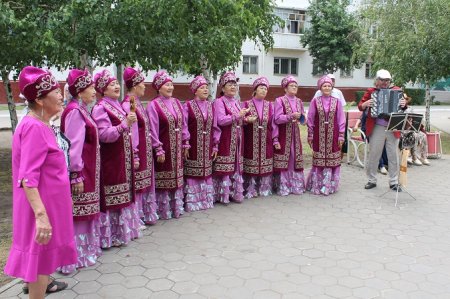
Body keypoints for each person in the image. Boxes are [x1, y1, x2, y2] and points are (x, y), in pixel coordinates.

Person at [4, 66, 77, 297]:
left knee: (41, 264)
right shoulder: (34, 127)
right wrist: (41, 216)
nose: (60, 94)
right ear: (39, 99)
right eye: (55, 91)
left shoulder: (39, 123)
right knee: (39, 265)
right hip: (41, 208)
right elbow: (27, 178)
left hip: (48, 206)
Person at [91, 69, 142, 247]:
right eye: (112, 84)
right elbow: (104, 135)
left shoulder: (117, 105)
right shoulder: (100, 108)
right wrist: (124, 124)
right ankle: (110, 236)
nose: (117, 86)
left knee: (124, 194)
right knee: (113, 196)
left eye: (117, 83)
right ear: (103, 89)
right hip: (111, 159)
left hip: (122, 158)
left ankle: (122, 233)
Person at [60, 69, 102, 273]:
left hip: (88, 168)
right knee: (78, 213)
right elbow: (73, 145)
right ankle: (74, 256)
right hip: (81, 171)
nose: (94, 91)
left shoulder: (81, 109)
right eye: (90, 87)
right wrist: (76, 174)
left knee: (84, 212)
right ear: (79, 91)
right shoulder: (75, 111)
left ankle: (85, 252)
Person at [146, 71, 189, 219]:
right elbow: (152, 128)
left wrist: (185, 142)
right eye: (166, 85)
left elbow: (183, 125)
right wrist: (158, 148)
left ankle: (176, 208)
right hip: (164, 147)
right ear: (159, 88)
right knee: (164, 178)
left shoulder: (177, 102)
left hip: (177, 147)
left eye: (171, 84)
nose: (170, 87)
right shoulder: (153, 105)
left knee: (177, 177)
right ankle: (163, 210)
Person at [358, 69, 407, 191]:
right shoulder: (371, 91)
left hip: (393, 125)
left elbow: (403, 108)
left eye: (387, 80)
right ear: (377, 80)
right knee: (374, 153)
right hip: (377, 126)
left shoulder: (397, 90)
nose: (385, 83)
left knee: (393, 154)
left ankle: (394, 182)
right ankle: (371, 180)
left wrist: (404, 103)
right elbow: (360, 106)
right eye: (382, 80)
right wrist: (366, 104)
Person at [122, 67, 159, 225]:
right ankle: (135, 220)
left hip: (145, 150)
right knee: (137, 185)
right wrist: (135, 153)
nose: (145, 86)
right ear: (135, 86)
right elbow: (132, 131)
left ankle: (143, 216)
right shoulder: (130, 103)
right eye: (142, 83)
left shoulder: (136, 103)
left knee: (143, 184)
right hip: (139, 151)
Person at [183, 75, 220, 210]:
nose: (206, 90)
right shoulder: (188, 105)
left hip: (207, 145)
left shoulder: (211, 106)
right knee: (193, 172)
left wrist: (216, 145)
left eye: (206, 87)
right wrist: (185, 143)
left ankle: (205, 200)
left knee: (206, 172)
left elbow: (215, 127)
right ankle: (193, 202)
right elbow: (184, 125)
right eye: (202, 88)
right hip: (193, 145)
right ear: (195, 90)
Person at [306, 75, 346, 195]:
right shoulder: (315, 101)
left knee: (332, 159)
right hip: (319, 134)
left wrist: (341, 135)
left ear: (332, 87)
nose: (327, 88)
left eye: (329, 86)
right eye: (325, 86)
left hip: (333, 134)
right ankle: (317, 184)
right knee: (319, 159)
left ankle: (330, 184)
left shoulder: (337, 101)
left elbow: (341, 119)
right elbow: (310, 118)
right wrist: (310, 134)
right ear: (320, 88)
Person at [213, 71, 248, 203]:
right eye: (229, 84)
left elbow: (239, 119)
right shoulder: (219, 102)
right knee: (226, 167)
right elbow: (221, 120)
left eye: (235, 84)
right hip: (225, 139)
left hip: (238, 139)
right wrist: (238, 115)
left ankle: (235, 193)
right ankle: (223, 195)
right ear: (222, 88)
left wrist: (245, 119)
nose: (233, 87)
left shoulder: (236, 101)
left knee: (236, 166)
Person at [242, 77, 279, 198]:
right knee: (251, 162)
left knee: (265, 161)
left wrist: (275, 139)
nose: (264, 91)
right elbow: (240, 121)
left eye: (265, 89)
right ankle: (250, 189)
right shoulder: (246, 104)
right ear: (255, 90)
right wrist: (246, 120)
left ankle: (264, 188)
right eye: (261, 88)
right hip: (250, 139)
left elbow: (273, 124)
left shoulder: (270, 105)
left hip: (266, 139)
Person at [273, 75, 306, 196]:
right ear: (285, 88)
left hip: (295, 135)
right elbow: (277, 119)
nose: (294, 87)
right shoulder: (280, 100)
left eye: (296, 86)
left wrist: (302, 117)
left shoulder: (299, 101)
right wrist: (290, 116)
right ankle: (283, 186)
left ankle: (296, 185)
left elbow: (303, 120)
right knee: (285, 159)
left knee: (294, 159)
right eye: (291, 86)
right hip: (283, 134)